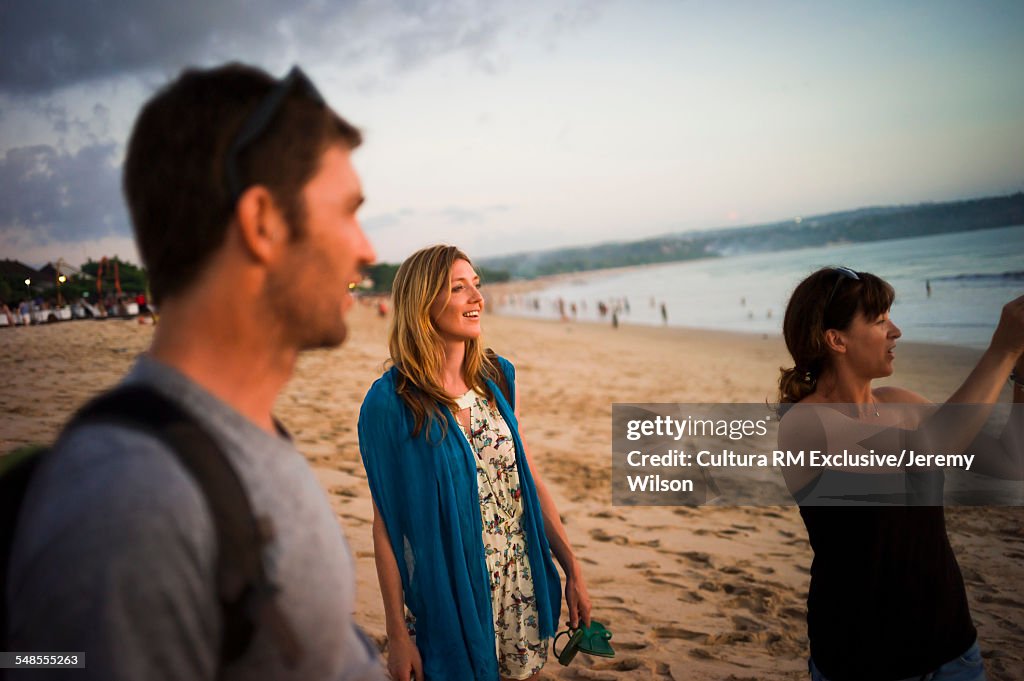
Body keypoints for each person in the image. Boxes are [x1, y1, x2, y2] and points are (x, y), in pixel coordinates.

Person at [6, 63, 385, 680]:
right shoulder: (132, 506)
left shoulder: (241, 436)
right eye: (347, 211)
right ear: (262, 223)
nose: (366, 249)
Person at [776, 266, 1024, 681]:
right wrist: (1002, 349)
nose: (897, 331)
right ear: (836, 340)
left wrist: (1021, 372)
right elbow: (935, 449)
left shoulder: (904, 404)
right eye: (879, 321)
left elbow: (1010, 460)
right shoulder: (804, 426)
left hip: (953, 649)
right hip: (863, 661)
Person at [358, 245, 592, 681]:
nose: (476, 298)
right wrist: (397, 634)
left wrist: (571, 567)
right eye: (458, 288)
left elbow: (527, 478)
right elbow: (385, 525)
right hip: (449, 594)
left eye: (477, 286)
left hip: (519, 585)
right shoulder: (390, 403)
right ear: (423, 302)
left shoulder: (496, 375)